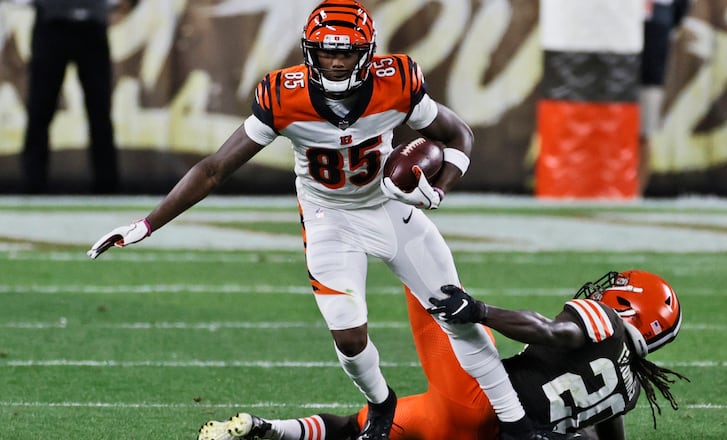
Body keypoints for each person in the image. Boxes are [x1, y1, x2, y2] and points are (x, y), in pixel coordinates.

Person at [86, 1, 544, 438]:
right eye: (326, 51)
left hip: (389, 207)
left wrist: (439, 188)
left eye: (346, 52)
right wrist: (145, 225)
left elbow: (457, 134)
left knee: (457, 313)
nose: (335, 62)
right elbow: (214, 169)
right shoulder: (283, 96)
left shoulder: (397, 82)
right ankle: (381, 405)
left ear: (366, 53)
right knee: (348, 335)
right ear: (310, 50)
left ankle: (519, 427)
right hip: (330, 217)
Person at [197, 269, 688, 440]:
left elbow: (550, 331)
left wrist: (480, 310)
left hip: (479, 395)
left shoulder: (603, 325)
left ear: (629, 309)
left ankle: (395, 196)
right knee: (367, 426)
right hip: (486, 431)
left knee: (428, 281)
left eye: (615, 292)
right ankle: (266, 429)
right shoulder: (627, 392)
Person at [20, 0, 123, 194]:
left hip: (92, 26)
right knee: (40, 108)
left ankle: (107, 186)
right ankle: (33, 185)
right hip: (52, 24)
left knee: (100, 110)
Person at [638, 0, 690, 194]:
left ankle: (636, 193)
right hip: (614, 60)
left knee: (643, 132)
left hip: (650, 64)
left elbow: (678, 13)